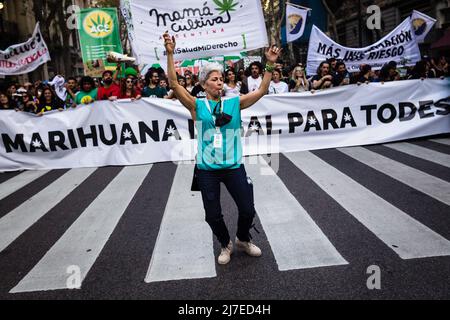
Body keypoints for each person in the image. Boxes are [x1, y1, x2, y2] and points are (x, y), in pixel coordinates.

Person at [163, 32, 282, 265]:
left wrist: (269, 64)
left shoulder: (234, 103)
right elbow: (174, 84)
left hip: (233, 166)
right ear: (204, 83)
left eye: (221, 79)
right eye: (214, 79)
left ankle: (243, 239)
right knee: (212, 215)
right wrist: (170, 53)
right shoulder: (197, 105)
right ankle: (225, 243)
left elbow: (261, 91)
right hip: (206, 169)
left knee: (247, 209)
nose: (219, 82)